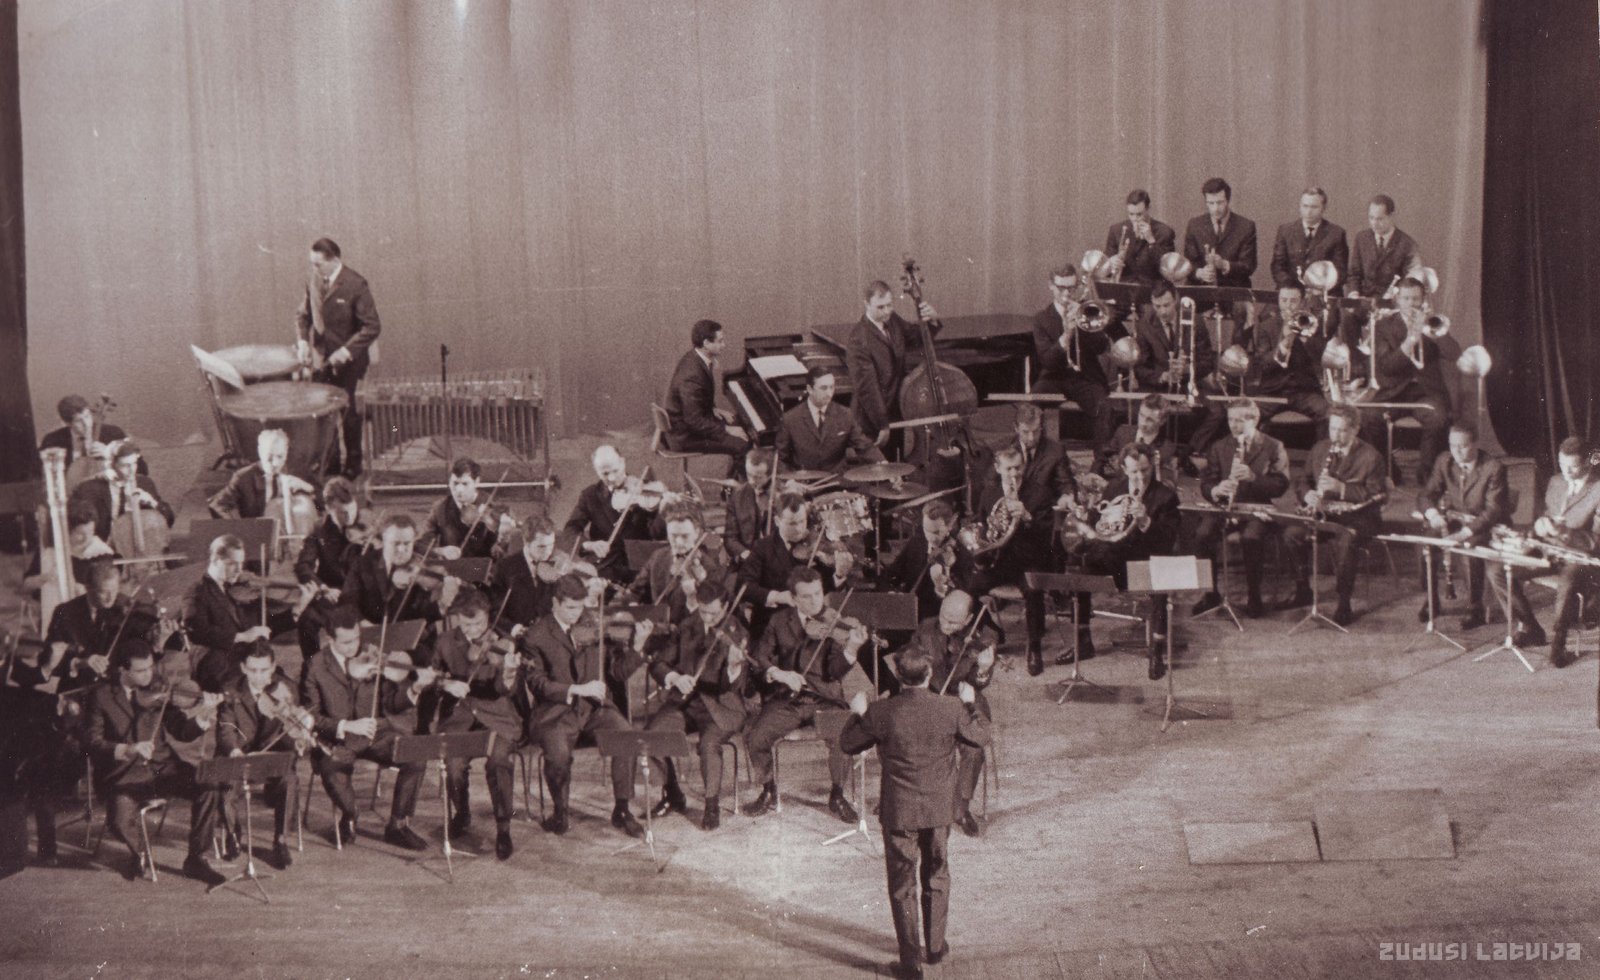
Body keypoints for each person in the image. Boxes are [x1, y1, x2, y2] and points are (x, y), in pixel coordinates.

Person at [840, 646, 991, 980]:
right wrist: (970, 702)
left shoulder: (881, 712)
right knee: (937, 873)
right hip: (938, 810)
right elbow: (981, 736)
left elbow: (848, 744)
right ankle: (935, 948)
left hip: (900, 811)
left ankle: (910, 964)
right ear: (929, 674)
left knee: (902, 884)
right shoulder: (951, 707)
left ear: (898, 675)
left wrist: (858, 714)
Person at [84, 643, 226, 883]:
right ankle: (139, 853)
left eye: (151, 668)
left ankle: (196, 859)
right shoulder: (101, 696)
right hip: (123, 775)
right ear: (122, 670)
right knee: (119, 821)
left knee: (208, 786)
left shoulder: (158, 690)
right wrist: (127, 749)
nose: (149, 675)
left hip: (163, 768)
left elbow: (181, 730)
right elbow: (91, 742)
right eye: (141, 671)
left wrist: (202, 716)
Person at [522, 573, 648, 837]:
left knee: (626, 736)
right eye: (570, 608)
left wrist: (637, 648)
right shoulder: (536, 635)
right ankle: (560, 812)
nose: (576, 614)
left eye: (580, 607)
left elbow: (617, 673)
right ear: (555, 603)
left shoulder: (593, 624)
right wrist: (576, 689)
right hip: (555, 713)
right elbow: (537, 683)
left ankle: (622, 809)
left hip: (594, 710)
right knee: (558, 755)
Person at [299, 606, 434, 850]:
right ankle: (350, 815)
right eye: (346, 642)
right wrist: (347, 725)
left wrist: (415, 689)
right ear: (330, 639)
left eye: (357, 639)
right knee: (332, 767)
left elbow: (391, 703)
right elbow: (312, 716)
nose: (354, 647)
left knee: (415, 756)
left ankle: (398, 825)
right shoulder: (314, 666)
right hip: (337, 739)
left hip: (375, 733)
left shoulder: (371, 656)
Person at [743, 567, 869, 822]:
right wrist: (779, 673)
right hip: (788, 698)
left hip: (825, 698)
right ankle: (768, 790)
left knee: (842, 736)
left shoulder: (832, 622)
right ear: (794, 598)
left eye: (818, 594)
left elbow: (835, 670)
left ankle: (837, 794)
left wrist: (852, 649)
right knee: (756, 737)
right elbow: (760, 656)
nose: (815, 601)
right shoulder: (779, 621)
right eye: (807, 596)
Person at [969, 406, 1075, 675]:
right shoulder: (990, 494)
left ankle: (1034, 647)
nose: (1014, 475)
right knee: (967, 585)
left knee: (1033, 590)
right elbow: (981, 525)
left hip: (1030, 560)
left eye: (1018, 469)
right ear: (998, 469)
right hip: (998, 561)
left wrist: (1027, 517)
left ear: (1024, 467)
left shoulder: (1039, 494)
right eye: (1008, 470)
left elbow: (1046, 537)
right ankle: (990, 631)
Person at [1061, 442, 1181, 677]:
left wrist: (1146, 521)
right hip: (1116, 561)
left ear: (1152, 465)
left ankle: (1156, 652)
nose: (1140, 477)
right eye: (1134, 471)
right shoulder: (1114, 488)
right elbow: (1097, 521)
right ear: (1125, 469)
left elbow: (1168, 541)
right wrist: (1089, 516)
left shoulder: (1166, 496)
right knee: (1081, 573)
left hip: (1146, 562)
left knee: (1161, 586)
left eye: (1144, 470)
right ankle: (1083, 641)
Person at [641, 580, 750, 831]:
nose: (708, 618)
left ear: (725, 607)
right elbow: (658, 663)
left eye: (714, 613)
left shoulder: (738, 633)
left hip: (721, 705)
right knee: (652, 735)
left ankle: (711, 805)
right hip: (686, 702)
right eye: (703, 611)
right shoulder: (687, 626)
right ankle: (673, 794)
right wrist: (675, 678)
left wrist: (733, 667)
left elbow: (736, 686)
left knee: (709, 745)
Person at [894, 591, 998, 838]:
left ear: (968, 619)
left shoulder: (985, 638)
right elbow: (911, 663)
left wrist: (983, 669)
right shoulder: (926, 628)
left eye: (953, 622)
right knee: (898, 733)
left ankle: (961, 807)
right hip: (931, 697)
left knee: (974, 748)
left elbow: (979, 683)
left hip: (965, 699)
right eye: (943, 616)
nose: (946, 625)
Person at [431, 588, 524, 860]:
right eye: (467, 625)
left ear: (488, 617)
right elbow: (431, 678)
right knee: (453, 766)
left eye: (480, 624)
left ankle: (503, 827)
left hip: (496, 717)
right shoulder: (445, 642)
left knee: (499, 762)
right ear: (457, 619)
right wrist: (446, 684)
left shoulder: (502, 644)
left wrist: (508, 673)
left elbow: (504, 690)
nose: (474, 631)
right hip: (459, 717)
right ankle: (462, 812)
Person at [1491, 437, 1600, 667]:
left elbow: (1597, 541)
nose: (1566, 472)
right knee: (1498, 570)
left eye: (1573, 467)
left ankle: (1559, 644)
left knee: (1567, 581)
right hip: (1549, 551)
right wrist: (1539, 527)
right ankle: (1530, 628)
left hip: (1581, 558)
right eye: (1562, 465)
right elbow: (1546, 516)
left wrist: (1566, 533)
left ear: (1587, 463)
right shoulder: (1556, 481)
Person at [1281, 404, 1386, 626]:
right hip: (1325, 512)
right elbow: (1303, 480)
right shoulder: (1320, 448)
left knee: (1346, 542)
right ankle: (1302, 589)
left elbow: (1376, 494)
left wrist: (1341, 488)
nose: (1335, 436)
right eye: (1332, 429)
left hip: (1359, 516)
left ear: (1355, 429)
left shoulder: (1371, 456)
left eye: (1342, 430)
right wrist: (1307, 494)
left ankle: (1344, 601)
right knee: (1292, 534)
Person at [1190, 399, 1292, 619]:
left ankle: (1254, 596)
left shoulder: (1273, 446)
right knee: (1202, 534)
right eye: (1230, 420)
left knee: (1251, 538)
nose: (1233, 425)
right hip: (1226, 507)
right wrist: (1216, 489)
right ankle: (1210, 593)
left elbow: (1281, 485)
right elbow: (1207, 482)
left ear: (1254, 419)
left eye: (1239, 420)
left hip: (1258, 509)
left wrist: (1254, 478)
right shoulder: (1219, 446)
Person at [294, 237, 381, 478]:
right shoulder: (313, 279)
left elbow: (372, 327)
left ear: (334, 261)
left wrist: (346, 351)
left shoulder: (356, 284)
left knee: (349, 415)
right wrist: (303, 341)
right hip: (322, 359)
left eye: (318, 264)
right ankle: (330, 462)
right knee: (324, 413)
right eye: (312, 264)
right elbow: (303, 316)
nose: (314, 269)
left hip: (350, 363)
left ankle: (353, 463)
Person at [213, 642, 303, 870]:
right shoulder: (231, 690)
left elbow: (291, 730)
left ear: (273, 667)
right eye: (253, 670)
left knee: (290, 779)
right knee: (226, 784)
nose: (259, 676)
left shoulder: (286, 689)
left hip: (271, 757)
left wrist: (298, 739)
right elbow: (226, 729)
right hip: (238, 755)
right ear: (243, 668)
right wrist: (234, 750)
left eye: (264, 670)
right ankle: (233, 834)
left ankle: (281, 841)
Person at [1354, 277, 1452, 484]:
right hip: (1391, 392)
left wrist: (1435, 334)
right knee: (1369, 419)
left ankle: (1428, 476)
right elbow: (1388, 367)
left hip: (1425, 392)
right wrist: (1411, 339)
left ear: (1423, 300)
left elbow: (1453, 353)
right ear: (1397, 300)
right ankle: (1388, 471)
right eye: (1406, 298)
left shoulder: (1433, 323)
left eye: (1415, 299)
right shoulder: (1382, 327)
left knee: (1438, 418)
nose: (1411, 303)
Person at [1418, 424, 1510, 631]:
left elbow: (1493, 511)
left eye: (1463, 446)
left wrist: (1463, 534)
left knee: (1469, 550)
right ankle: (1432, 600)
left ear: (1476, 444)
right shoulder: (1444, 460)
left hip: (1485, 525)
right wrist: (1433, 514)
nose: (1456, 452)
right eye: (1452, 446)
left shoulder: (1493, 467)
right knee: (1427, 544)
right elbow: (1426, 495)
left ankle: (1475, 607)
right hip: (1456, 519)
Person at [737, 492, 855, 639]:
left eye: (802, 521)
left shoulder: (815, 545)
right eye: (792, 523)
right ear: (777, 521)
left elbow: (826, 588)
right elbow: (743, 586)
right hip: (772, 624)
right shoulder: (763, 548)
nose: (799, 529)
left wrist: (838, 575)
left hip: (813, 625)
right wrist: (778, 596)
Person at [1133, 281, 1226, 463]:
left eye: (1166, 305)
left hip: (1188, 382)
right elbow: (1140, 367)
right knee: (1142, 410)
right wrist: (1162, 376)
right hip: (1159, 385)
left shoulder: (1195, 321)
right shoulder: (1144, 325)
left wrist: (1188, 369)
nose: (1162, 311)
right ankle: (1151, 451)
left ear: (1175, 299)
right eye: (1157, 306)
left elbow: (1207, 361)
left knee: (1217, 412)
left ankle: (1187, 453)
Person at [187, 534, 291, 693]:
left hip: (242, 657)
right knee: (260, 689)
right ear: (215, 560)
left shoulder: (232, 588)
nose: (239, 570)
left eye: (240, 563)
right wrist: (241, 636)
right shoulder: (198, 590)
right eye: (232, 564)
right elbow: (196, 632)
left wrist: (296, 609)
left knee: (285, 685)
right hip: (216, 663)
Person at [1030, 262, 1115, 454]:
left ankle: (1100, 461)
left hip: (1086, 377)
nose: (1067, 294)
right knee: (1032, 403)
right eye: (1061, 288)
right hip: (1054, 377)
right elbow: (1048, 361)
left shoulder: (1087, 311)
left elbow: (1101, 347)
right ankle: (1037, 457)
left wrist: (1083, 323)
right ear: (1051, 286)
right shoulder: (1041, 319)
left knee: (1104, 407)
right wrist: (1066, 336)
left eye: (1071, 288)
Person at [847, 279, 938, 452]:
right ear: (866, 304)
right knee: (878, 465)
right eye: (880, 307)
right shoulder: (858, 339)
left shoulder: (893, 320)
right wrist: (882, 424)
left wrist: (932, 320)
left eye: (889, 305)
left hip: (895, 410)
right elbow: (868, 389)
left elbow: (915, 337)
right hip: (872, 419)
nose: (886, 311)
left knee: (897, 462)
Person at [563, 444, 663, 585]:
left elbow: (658, 533)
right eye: (605, 474)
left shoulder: (646, 491)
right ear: (596, 471)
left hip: (642, 569)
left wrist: (663, 509)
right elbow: (570, 530)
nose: (612, 478)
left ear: (623, 462)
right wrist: (589, 545)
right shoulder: (590, 495)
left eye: (616, 470)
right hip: (606, 568)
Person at [1238, 285, 1332, 427]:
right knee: (1247, 415)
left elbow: (1320, 357)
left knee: (1329, 414)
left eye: (1293, 301)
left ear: (1302, 303)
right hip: (1273, 391)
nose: (1288, 306)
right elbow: (1263, 364)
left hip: (1304, 391)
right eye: (1284, 300)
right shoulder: (1265, 327)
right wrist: (1284, 343)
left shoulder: (1312, 325)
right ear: (1278, 301)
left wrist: (1304, 339)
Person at [341, 514, 457, 627]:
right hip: (370, 633)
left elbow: (425, 615)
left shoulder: (422, 569)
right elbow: (347, 601)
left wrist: (442, 605)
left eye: (407, 543)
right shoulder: (362, 564)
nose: (401, 549)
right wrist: (362, 623)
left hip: (412, 634)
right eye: (395, 543)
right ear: (384, 541)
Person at [292, 475, 362, 658]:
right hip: (331, 594)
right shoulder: (319, 530)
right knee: (306, 619)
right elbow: (303, 566)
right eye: (343, 513)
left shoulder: (365, 526)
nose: (350, 517)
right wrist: (322, 588)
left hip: (361, 595)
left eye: (352, 510)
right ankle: (312, 665)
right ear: (329, 509)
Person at [628, 501, 728, 627]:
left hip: (688, 631)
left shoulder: (709, 567)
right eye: (673, 536)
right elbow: (635, 590)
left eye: (685, 536)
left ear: (697, 533)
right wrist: (633, 606)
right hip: (655, 627)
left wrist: (692, 597)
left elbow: (711, 617)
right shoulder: (658, 556)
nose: (679, 542)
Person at [663, 318, 749, 459]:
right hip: (686, 437)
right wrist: (726, 430)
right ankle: (739, 473)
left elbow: (697, 398)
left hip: (689, 425)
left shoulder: (694, 357)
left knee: (741, 422)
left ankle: (737, 470)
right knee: (742, 444)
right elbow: (694, 420)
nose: (724, 345)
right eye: (720, 341)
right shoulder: (692, 375)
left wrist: (713, 409)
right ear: (706, 343)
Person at [880, 498, 977, 623]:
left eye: (936, 532)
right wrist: (891, 592)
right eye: (926, 530)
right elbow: (891, 574)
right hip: (908, 611)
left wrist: (945, 576)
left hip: (937, 619)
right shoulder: (917, 543)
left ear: (950, 526)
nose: (930, 537)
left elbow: (960, 601)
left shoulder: (963, 556)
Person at [776, 366, 884, 473]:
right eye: (823, 388)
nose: (829, 393)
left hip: (837, 478)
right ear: (809, 389)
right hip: (804, 481)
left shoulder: (845, 414)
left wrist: (883, 465)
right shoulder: (790, 419)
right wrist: (790, 481)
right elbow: (780, 459)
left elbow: (864, 447)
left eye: (831, 387)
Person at [43, 559, 128, 693]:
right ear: (88, 588)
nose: (111, 597)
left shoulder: (123, 609)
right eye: (104, 592)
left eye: (115, 590)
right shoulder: (65, 612)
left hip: (114, 691)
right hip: (77, 689)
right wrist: (81, 662)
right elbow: (50, 661)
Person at [68, 440, 174, 542]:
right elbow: (77, 524)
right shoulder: (90, 488)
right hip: (104, 547)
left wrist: (152, 502)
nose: (132, 470)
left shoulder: (144, 483)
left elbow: (169, 520)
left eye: (134, 463)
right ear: (111, 465)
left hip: (139, 545)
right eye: (125, 465)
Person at [208, 428, 317, 520]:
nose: (275, 463)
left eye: (280, 456)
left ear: (286, 453)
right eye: (269, 456)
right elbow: (216, 505)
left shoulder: (297, 471)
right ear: (260, 451)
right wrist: (238, 529)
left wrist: (307, 487)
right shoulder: (244, 477)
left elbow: (323, 499)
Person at [424, 457, 516, 560]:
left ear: (476, 481)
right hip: (452, 567)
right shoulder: (440, 508)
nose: (459, 489)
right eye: (455, 483)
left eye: (465, 484)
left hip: (484, 568)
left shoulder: (494, 507)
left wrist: (504, 538)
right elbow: (421, 545)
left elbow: (500, 556)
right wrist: (442, 551)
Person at [487, 514, 563, 633]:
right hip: (516, 634)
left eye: (551, 545)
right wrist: (513, 628)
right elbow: (494, 611)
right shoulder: (504, 567)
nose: (548, 552)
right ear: (526, 542)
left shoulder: (555, 567)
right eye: (541, 547)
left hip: (546, 633)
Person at [1183, 177, 1257, 289]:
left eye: (1220, 202)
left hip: (1233, 290)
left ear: (1228, 200)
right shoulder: (1194, 225)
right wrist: (1200, 273)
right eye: (1211, 203)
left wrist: (1223, 264)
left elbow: (1248, 266)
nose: (1215, 209)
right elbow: (1189, 263)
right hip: (1201, 289)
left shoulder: (1246, 227)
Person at [1269, 186, 1350, 289]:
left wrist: (1320, 289)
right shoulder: (1285, 231)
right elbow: (1277, 266)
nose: (1308, 212)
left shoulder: (1336, 234)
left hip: (1323, 292)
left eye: (1314, 207)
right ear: (1300, 206)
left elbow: (1340, 270)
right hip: (1291, 291)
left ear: (1324, 208)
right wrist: (1290, 287)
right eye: (1305, 206)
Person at [1345, 195, 1423, 300]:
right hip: (1363, 300)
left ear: (1392, 216)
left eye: (1380, 219)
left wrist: (1394, 295)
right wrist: (1354, 294)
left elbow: (1411, 281)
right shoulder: (1361, 238)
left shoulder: (1408, 244)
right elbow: (1354, 274)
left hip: (1392, 303)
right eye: (1371, 218)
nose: (1374, 223)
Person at [1099, 189, 1176, 286]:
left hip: (1153, 289)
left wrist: (1151, 241)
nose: (1135, 219)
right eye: (1131, 214)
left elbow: (1167, 269)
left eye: (1139, 214)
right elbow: (1106, 264)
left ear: (1148, 209)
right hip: (1124, 286)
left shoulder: (1164, 232)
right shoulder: (1116, 230)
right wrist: (1111, 262)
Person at [37, 394, 134, 471]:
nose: (87, 424)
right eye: (79, 421)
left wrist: (110, 454)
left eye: (87, 416)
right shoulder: (52, 441)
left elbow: (139, 468)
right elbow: (38, 476)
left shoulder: (114, 433)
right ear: (67, 423)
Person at [1102, 394, 1178, 482]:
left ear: (1162, 421)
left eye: (1150, 419)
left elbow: (1164, 482)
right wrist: (1094, 473)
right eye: (1141, 415)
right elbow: (1103, 456)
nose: (1143, 423)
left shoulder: (1167, 448)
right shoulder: (1122, 432)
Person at [721, 448, 775, 567]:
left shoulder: (781, 495)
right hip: (749, 560)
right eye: (749, 474)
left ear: (770, 475)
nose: (751, 481)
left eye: (757, 477)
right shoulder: (738, 495)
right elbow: (730, 538)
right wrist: (745, 554)